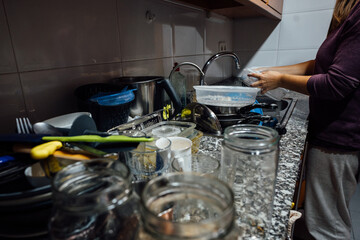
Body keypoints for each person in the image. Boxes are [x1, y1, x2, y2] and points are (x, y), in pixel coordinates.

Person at [248, 0, 360, 239]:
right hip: (334, 134)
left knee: (327, 227)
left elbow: (336, 83)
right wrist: (273, 72)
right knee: (325, 217)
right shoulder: (350, 13)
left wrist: (280, 80)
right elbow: (318, 65)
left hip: (338, 140)